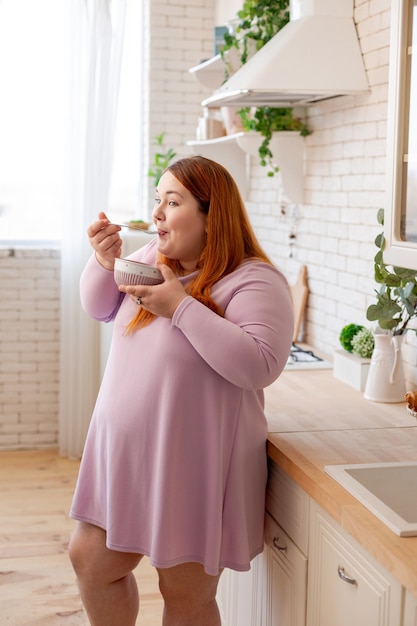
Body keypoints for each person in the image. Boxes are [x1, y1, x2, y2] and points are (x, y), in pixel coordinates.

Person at [68, 155, 294, 626]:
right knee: (90, 561)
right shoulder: (153, 258)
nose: (157, 214)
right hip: (124, 456)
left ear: (213, 218)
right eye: (158, 200)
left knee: (183, 593)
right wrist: (103, 261)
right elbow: (100, 306)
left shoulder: (253, 280)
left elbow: (260, 365)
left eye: (173, 202)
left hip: (193, 464)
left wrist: (181, 307)